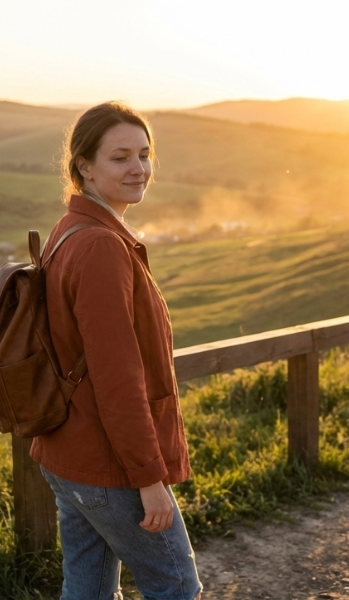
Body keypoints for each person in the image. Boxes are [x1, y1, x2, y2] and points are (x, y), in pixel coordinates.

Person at [31, 102, 203, 600]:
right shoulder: (101, 247)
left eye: (145, 155)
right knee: (175, 587)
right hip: (110, 467)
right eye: (120, 157)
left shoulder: (69, 231)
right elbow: (117, 378)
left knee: (87, 592)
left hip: (68, 453)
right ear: (84, 166)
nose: (139, 168)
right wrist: (149, 478)